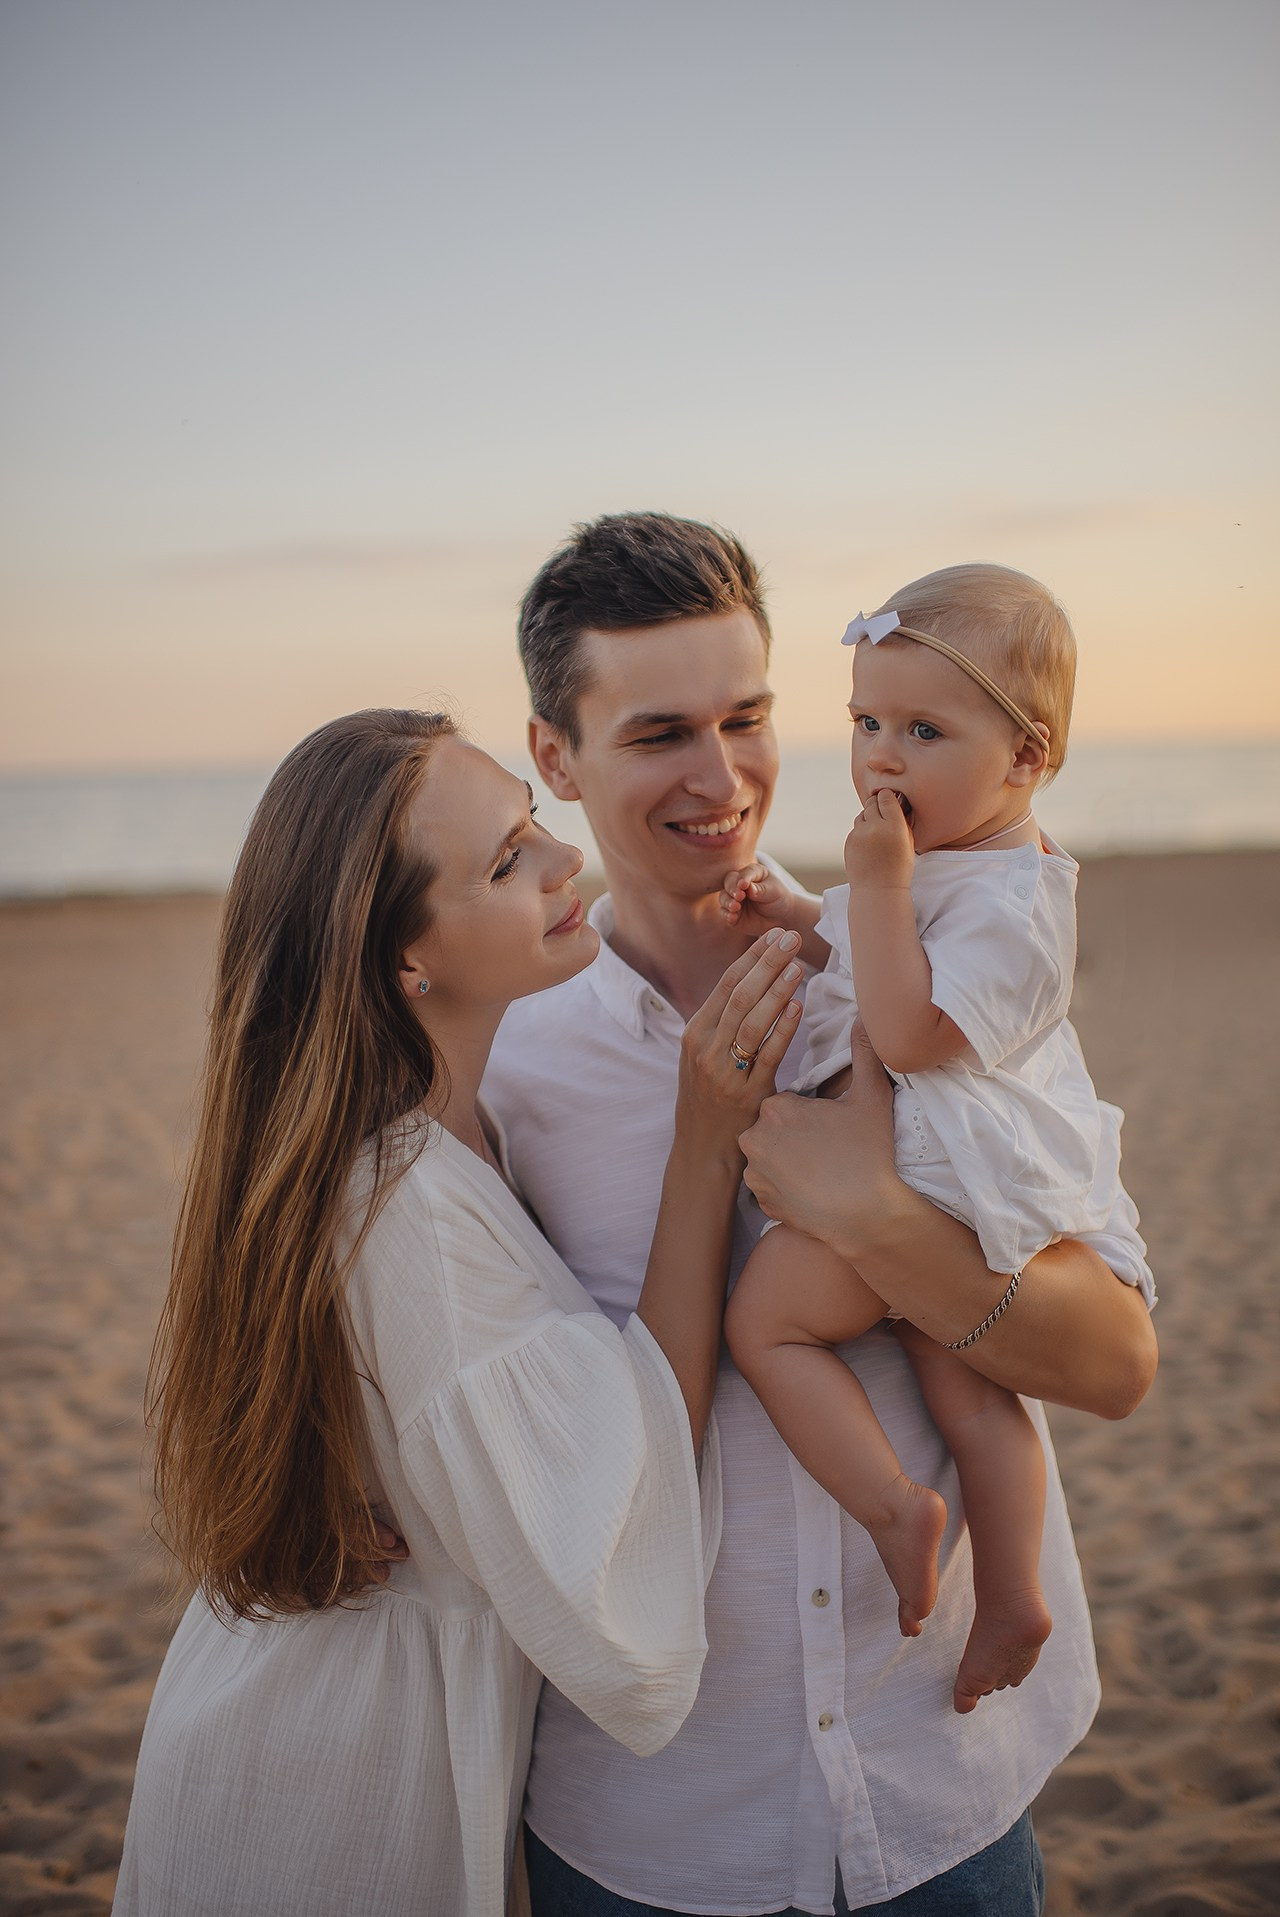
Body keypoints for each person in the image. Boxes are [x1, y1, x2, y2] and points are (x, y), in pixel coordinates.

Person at [481, 513, 1158, 1916]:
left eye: (748, 717)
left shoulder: (936, 957)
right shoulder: (507, 1064)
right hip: (660, 1815)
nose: (721, 776)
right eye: (661, 731)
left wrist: (883, 1223)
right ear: (555, 756)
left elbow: (1113, 1362)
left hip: (943, 1783)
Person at [112, 707, 805, 1917]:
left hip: (322, 1714)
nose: (561, 860)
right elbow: (617, 1484)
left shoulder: (434, 1121)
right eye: (501, 864)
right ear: (402, 962)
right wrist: (701, 1144)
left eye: (532, 823)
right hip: (339, 1782)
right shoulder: (407, 1204)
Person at [723, 564, 1134, 1718]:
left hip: (931, 1166)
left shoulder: (1018, 906)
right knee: (964, 1384)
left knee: (765, 1321)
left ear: (1025, 757)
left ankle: (892, 1506)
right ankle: (1008, 1593)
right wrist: (806, 914)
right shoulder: (952, 864)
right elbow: (870, 956)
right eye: (862, 722)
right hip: (933, 1168)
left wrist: (871, 878)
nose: (879, 757)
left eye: (919, 728)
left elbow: (903, 1032)